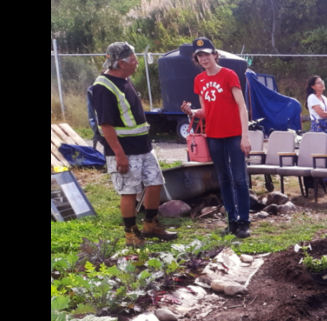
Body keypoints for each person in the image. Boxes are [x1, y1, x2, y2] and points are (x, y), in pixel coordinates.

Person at [91, 42, 176, 247]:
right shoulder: (103, 87)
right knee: (129, 191)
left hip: (143, 146)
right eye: (133, 59)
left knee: (155, 184)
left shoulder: (125, 79)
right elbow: (105, 125)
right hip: (124, 150)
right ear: (120, 63)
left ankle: (150, 224)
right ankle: (131, 233)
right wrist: (119, 155)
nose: (137, 62)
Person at [181, 38, 253, 239]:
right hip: (213, 135)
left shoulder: (228, 75)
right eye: (199, 56)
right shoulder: (199, 80)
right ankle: (231, 221)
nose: (204, 58)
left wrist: (244, 136)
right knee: (223, 179)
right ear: (196, 59)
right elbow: (206, 111)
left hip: (234, 134)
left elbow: (241, 106)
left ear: (214, 54)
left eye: (206, 54)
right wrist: (192, 111)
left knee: (239, 178)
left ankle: (244, 221)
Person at [306, 76, 327, 140]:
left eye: (322, 81)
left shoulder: (324, 98)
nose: (322, 84)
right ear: (313, 86)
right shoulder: (312, 97)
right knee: (319, 146)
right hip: (318, 125)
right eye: (318, 82)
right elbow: (322, 114)